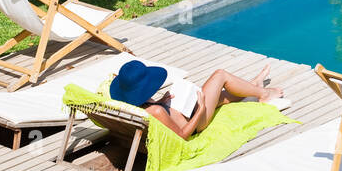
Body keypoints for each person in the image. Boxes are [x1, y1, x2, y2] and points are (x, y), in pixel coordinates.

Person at [108, 59, 283, 140]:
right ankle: (263, 93)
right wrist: (200, 111)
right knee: (220, 75)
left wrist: (162, 102)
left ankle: (253, 86)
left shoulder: (133, 106)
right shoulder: (156, 111)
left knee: (220, 97)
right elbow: (182, 135)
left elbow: (160, 118)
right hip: (196, 122)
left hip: (183, 111)